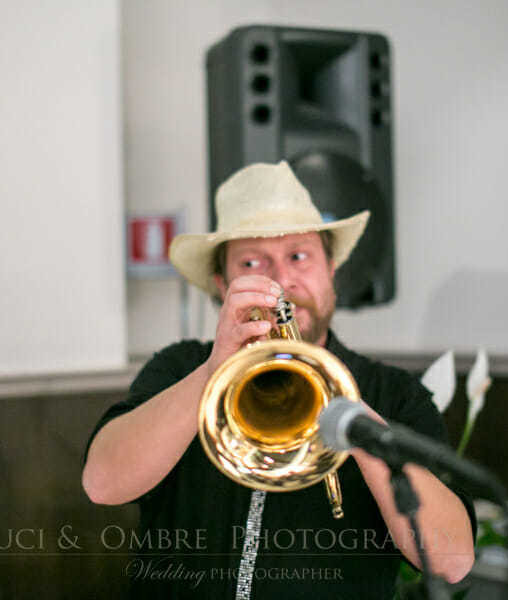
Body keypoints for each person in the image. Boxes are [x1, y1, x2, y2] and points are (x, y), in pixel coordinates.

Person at [83, 161, 475, 599]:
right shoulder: (180, 368)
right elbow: (102, 484)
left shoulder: (394, 394)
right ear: (221, 284)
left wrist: (352, 414)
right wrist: (213, 372)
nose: (280, 280)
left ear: (332, 271)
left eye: (299, 255)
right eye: (252, 261)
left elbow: (453, 561)